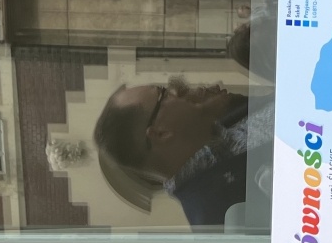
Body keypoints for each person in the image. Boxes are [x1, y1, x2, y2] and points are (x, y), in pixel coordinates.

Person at [94, 76, 273, 229]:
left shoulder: (227, 117)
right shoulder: (217, 218)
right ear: (161, 133)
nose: (175, 91)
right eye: (163, 94)